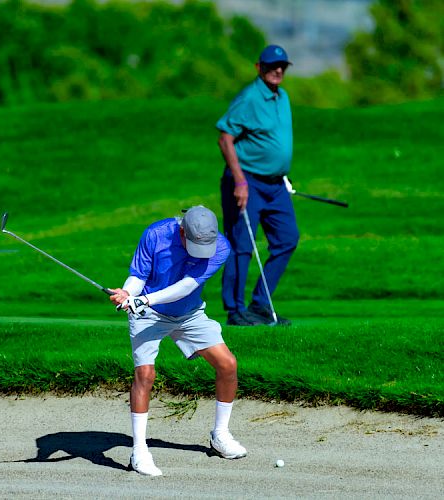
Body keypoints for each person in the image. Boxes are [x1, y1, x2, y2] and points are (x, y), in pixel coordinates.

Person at [109, 205, 247, 477]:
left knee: (228, 364)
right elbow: (139, 276)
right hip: (148, 314)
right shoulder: (155, 234)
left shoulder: (220, 247)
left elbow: (186, 286)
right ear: (182, 231)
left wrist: (145, 299)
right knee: (145, 374)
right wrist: (128, 293)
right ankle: (139, 451)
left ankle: (220, 435)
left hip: (188, 313)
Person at [216, 44, 300, 327]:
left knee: (287, 238)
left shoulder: (282, 97)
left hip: (275, 185)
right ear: (258, 67)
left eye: (282, 66)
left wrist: (282, 173)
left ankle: (261, 305)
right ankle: (235, 310)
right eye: (271, 66)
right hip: (247, 181)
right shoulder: (250, 97)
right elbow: (225, 138)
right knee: (242, 245)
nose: (277, 70)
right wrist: (239, 180)